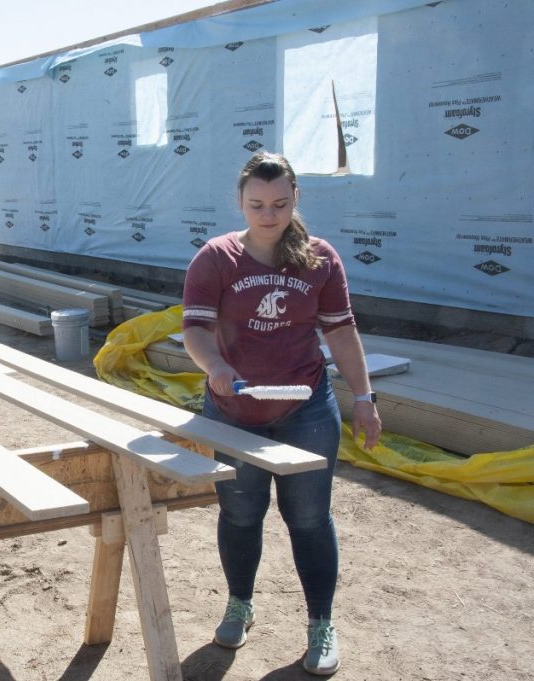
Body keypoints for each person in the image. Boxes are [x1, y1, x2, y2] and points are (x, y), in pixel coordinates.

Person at [182, 151, 381, 676]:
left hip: (307, 409)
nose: (268, 215)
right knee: (242, 514)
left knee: (310, 519)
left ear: (296, 198)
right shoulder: (216, 257)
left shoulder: (319, 258)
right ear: (240, 202)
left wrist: (363, 398)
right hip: (233, 410)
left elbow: (340, 331)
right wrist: (215, 364)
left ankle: (320, 624)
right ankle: (239, 604)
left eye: (279, 204)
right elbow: (195, 329)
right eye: (256, 204)